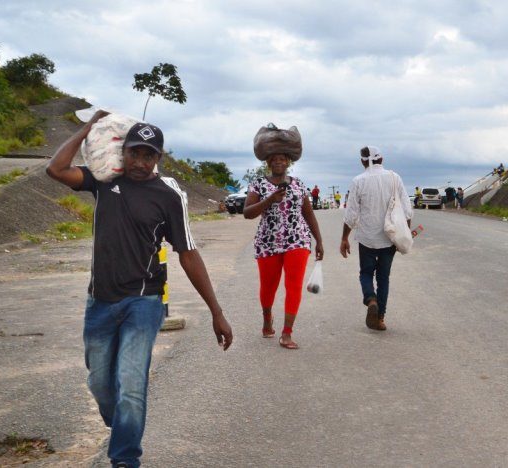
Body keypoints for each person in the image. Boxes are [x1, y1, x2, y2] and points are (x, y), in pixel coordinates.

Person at [46, 111, 233, 468]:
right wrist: (87, 128)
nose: (140, 162)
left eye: (149, 155)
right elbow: (55, 170)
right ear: (123, 151)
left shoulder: (168, 194)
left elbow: (188, 254)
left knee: (131, 385)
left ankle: (125, 459)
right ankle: (124, 429)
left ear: (158, 159)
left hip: (144, 300)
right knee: (101, 384)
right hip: (99, 300)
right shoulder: (102, 180)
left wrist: (216, 311)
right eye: (135, 152)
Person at [243, 123, 324, 350]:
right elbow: (247, 213)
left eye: (283, 159)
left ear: (289, 162)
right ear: (268, 162)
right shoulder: (258, 184)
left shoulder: (299, 185)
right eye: (274, 159)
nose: (279, 162)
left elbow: (308, 215)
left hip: (297, 241)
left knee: (294, 285)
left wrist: (319, 241)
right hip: (267, 243)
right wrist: (269, 200)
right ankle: (267, 318)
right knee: (268, 287)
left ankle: (287, 333)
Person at [340, 146, 413, 331]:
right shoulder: (394, 178)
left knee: (366, 273)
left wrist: (344, 238)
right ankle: (380, 318)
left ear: (362, 161)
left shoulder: (358, 181)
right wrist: (404, 233)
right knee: (383, 278)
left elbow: (351, 214)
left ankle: (370, 299)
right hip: (389, 237)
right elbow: (406, 209)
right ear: (382, 159)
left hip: (367, 238)